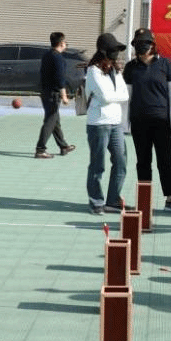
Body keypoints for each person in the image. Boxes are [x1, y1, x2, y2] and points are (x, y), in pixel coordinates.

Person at [122, 28, 171, 214]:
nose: (141, 46)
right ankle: (144, 201)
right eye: (138, 43)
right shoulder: (131, 67)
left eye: (145, 43)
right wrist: (124, 124)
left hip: (162, 123)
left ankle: (170, 199)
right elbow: (127, 96)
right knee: (143, 162)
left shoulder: (165, 64)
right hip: (139, 122)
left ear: (153, 44)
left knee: (165, 161)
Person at [85, 33, 129, 215]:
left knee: (121, 161)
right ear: (103, 51)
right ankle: (96, 201)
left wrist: (113, 97)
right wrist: (114, 97)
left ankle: (112, 200)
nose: (116, 53)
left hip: (115, 122)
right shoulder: (93, 71)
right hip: (98, 123)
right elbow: (105, 97)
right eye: (113, 50)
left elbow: (125, 95)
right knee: (98, 164)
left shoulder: (116, 71)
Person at [35, 31, 76, 159]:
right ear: (61, 43)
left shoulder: (47, 55)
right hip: (53, 94)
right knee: (50, 121)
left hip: (45, 92)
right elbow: (60, 78)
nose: (66, 44)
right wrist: (64, 96)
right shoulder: (58, 58)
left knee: (55, 120)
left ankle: (63, 146)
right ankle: (40, 149)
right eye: (65, 42)